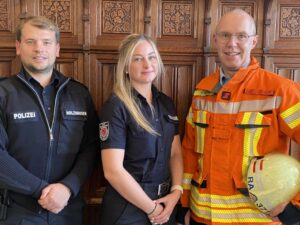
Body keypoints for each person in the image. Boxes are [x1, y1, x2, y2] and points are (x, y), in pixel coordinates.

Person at [176, 9, 300, 225]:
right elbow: (188, 151)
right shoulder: (202, 91)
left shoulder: (281, 91)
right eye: (225, 35)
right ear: (215, 40)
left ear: (254, 41)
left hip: (257, 220)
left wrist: (295, 205)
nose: (231, 43)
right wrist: (184, 204)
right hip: (202, 216)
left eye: (241, 36)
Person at [0, 16, 99, 225]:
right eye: (30, 42)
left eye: (46, 42)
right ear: (18, 47)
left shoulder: (78, 94)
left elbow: (91, 148)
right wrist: (41, 191)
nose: (39, 48)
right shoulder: (3, 93)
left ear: (57, 49)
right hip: (18, 212)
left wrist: (68, 187)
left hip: (68, 210)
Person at [99, 33, 183, 225]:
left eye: (151, 57)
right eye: (138, 59)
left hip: (165, 204)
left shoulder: (166, 103)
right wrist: (151, 209)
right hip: (128, 208)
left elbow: (175, 153)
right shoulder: (116, 106)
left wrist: (177, 191)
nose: (147, 64)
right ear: (126, 68)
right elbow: (113, 171)